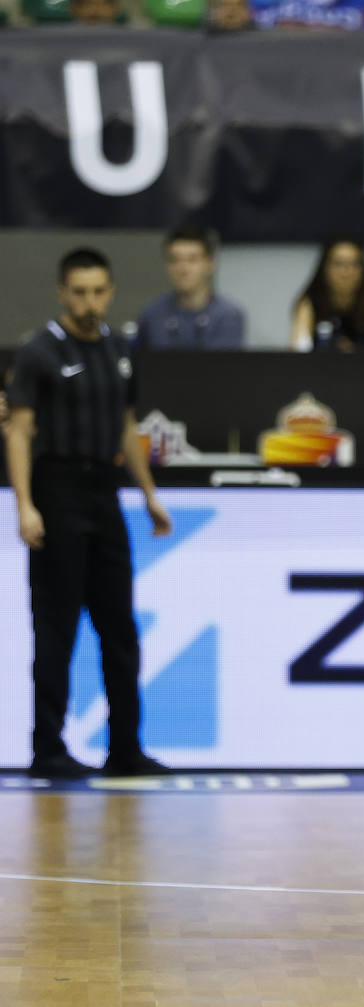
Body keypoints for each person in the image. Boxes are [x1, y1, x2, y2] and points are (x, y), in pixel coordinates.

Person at [4, 248, 173, 780]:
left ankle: (125, 749)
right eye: (79, 292)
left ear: (111, 292)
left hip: (105, 491)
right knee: (56, 630)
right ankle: (47, 749)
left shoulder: (119, 349)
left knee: (119, 628)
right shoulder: (37, 352)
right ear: (61, 293)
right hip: (56, 490)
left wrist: (147, 493)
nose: (89, 302)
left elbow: (127, 427)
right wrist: (25, 504)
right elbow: (19, 430)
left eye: (98, 291)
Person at [135, 227, 246, 351]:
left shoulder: (228, 315)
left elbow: (223, 366)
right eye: (174, 260)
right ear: (167, 265)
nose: (183, 269)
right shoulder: (152, 315)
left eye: (192, 260)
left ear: (210, 263)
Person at [289, 239, 364, 352]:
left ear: (363, 269)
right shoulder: (310, 300)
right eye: (338, 264)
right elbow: (297, 350)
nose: (346, 272)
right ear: (325, 268)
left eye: (354, 264)